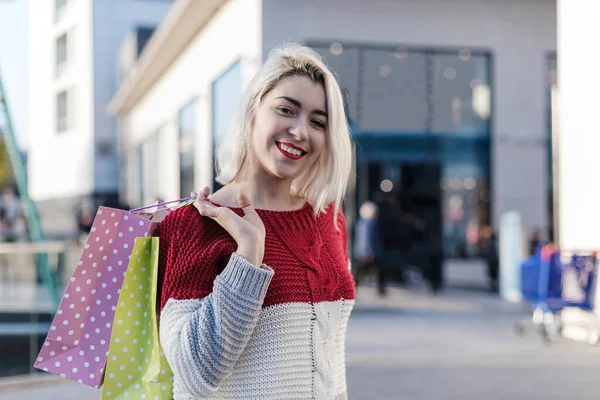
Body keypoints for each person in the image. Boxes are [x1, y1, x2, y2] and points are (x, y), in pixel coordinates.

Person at [156, 44, 355, 399]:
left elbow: (331, 365)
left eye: (317, 122)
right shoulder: (192, 225)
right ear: (253, 112)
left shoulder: (329, 219)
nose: (300, 131)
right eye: (286, 110)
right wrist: (248, 257)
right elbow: (194, 374)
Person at [352, 201, 385, 295]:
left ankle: (353, 287)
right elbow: (367, 239)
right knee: (376, 270)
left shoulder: (361, 223)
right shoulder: (370, 224)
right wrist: (368, 252)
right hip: (369, 253)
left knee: (359, 271)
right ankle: (380, 289)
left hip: (363, 252)